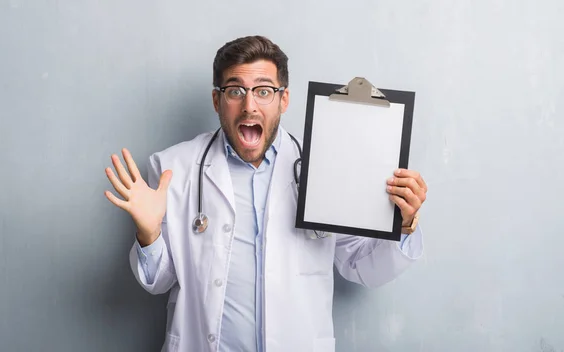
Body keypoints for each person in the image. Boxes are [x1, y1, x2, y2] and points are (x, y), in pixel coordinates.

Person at [104, 35, 427, 352]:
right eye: (235, 91)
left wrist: (404, 223)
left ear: (283, 99)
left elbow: (360, 265)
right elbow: (159, 281)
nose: (249, 106)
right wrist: (149, 234)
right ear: (217, 100)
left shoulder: (326, 169)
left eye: (263, 91)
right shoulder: (173, 168)